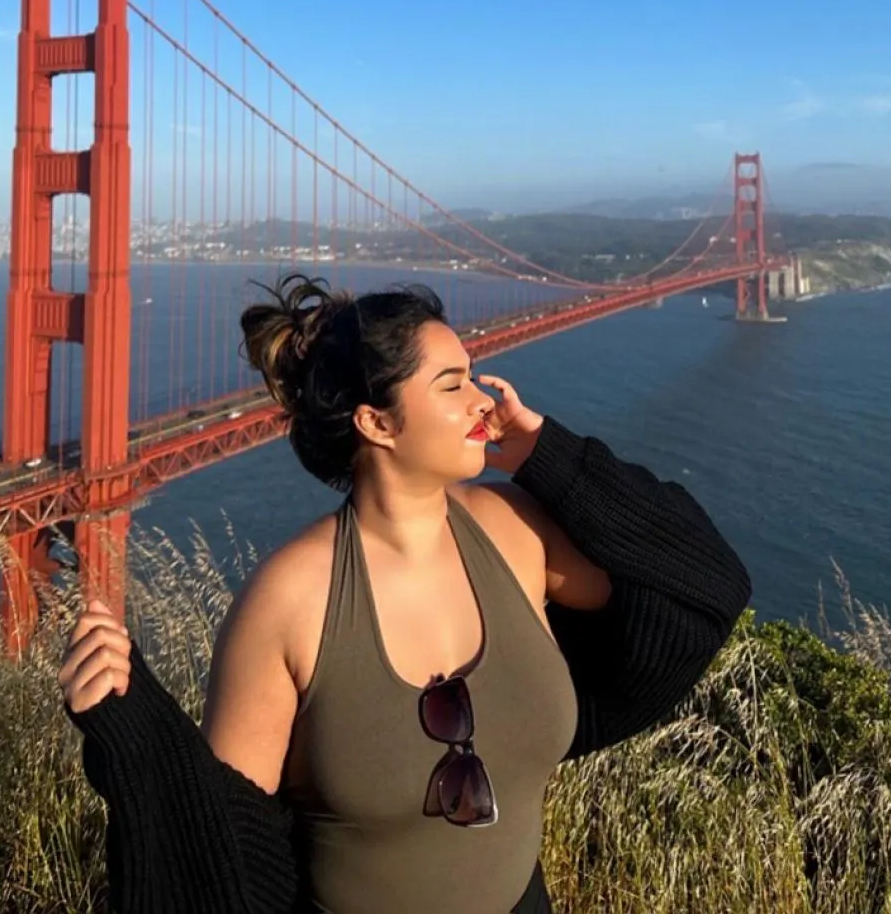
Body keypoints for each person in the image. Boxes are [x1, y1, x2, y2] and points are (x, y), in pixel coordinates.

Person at [60, 276, 751, 914]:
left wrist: (549, 452)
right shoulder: (289, 601)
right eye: (452, 385)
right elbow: (222, 848)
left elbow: (699, 583)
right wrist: (137, 738)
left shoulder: (517, 533)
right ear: (377, 424)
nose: (485, 399)